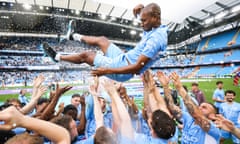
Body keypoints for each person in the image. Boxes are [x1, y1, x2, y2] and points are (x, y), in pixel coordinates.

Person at [43, 3, 167, 82]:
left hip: (124, 69)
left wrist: (108, 71)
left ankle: (57, 57)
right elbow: (147, 15)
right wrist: (142, 8)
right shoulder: (154, 26)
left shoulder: (156, 40)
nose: (141, 23)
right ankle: (72, 36)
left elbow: (137, 68)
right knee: (102, 40)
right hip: (124, 58)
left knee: (87, 55)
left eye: (143, 20)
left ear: (155, 18)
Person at [167, 72, 221, 144]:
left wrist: (179, 88)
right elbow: (171, 107)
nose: (200, 108)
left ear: (213, 116)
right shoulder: (189, 118)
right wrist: (165, 86)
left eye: (205, 107)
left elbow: (196, 114)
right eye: (200, 106)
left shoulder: (213, 128)